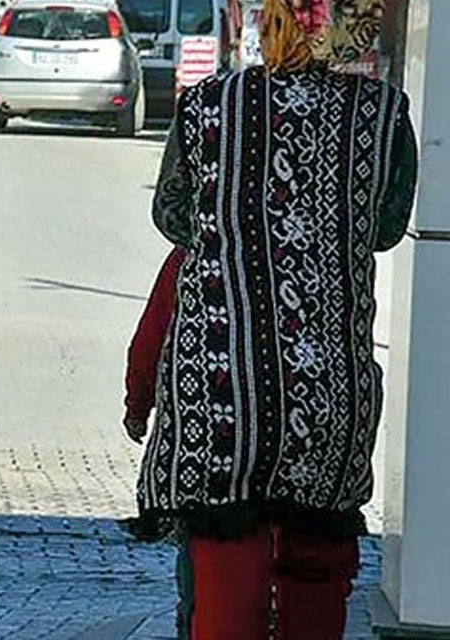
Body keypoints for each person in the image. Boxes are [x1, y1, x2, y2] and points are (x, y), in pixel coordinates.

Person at [136, 0, 418, 638]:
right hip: (329, 387)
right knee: (318, 568)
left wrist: (238, 230)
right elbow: (386, 228)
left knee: (225, 566)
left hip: (220, 384)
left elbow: (171, 214)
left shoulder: (208, 104)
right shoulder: (381, 115)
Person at [118, 246, 189, 638]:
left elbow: (150, 337)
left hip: (200, 449)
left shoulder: (190, 253)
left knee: (203, 545)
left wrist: (137, 405)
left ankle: (194, 622)